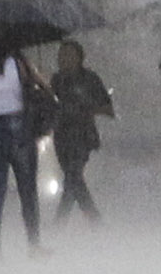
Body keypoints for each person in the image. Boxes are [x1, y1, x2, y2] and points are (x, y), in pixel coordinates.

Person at [0, 47, 47, 253]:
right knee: (27, 189)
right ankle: (34, 244)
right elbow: (39, 86)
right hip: (18, 126)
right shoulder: (19, 61)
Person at [46, 42, 115, 224]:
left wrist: (87, 109)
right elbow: (49, 106)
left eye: (68, 54)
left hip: (82, 135)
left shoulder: (90, 79)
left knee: (73, 177)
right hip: (61, 136)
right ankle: (94, 219)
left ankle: (60, 222)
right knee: (74, 180)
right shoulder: (56, 80)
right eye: (61, 55)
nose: (63, 59)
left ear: (79, 57)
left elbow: (108, 108)